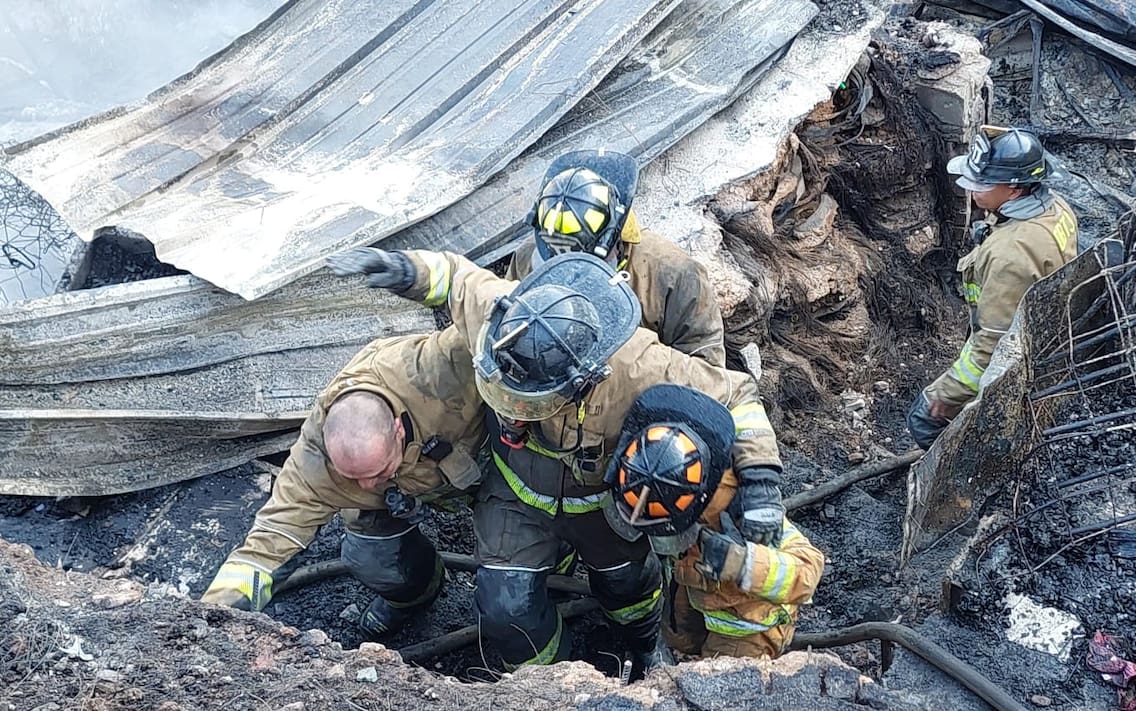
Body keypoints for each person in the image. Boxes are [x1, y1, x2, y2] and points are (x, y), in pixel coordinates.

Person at [328, 247, 783, 674]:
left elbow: (736, 393)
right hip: (514, 494)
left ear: (584, 377)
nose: (512, 414)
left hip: (599, 502)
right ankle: (547, 681)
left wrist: (761, 481)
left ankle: (643, 645)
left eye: (528, 403)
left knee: (628, 589)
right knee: (505, 610)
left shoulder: (639, 366)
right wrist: (402, 269)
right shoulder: (509, 318)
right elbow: (454, 279)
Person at [200, 330, 486, 637]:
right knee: (372, 558)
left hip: (492, 467)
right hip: (405, 493)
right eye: (352, 476)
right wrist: (211, 616)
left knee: (508, 592)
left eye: (377, 471)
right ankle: (415, 597)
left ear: (398, 431)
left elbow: (494, 322)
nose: (366, 486)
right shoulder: (314, 460)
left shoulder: (440, 368)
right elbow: (269, 544)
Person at [605, 384, 825, 659]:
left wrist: (742, 563)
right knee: (678, 639)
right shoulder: (648, 463)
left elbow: (809, 571)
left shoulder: (737, 505)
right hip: (695, 588)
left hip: (745, 626)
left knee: (716, 678)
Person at [908, 126, 1079, 449]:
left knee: (922, 419)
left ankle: (962, 457)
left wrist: (946, 394)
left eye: (982, 184)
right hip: (1048, 330)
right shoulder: (1054, 207)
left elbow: (993, 343)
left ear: (1014, 189)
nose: (972, 190)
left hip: (1019, 351)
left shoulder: (1011, 255)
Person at [507, 149, 726, 366]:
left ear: (613, 239)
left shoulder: (674, 274)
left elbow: (707, 369)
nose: (571, 275)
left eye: (585, 265)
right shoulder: (529, 256)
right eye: (557, 266)